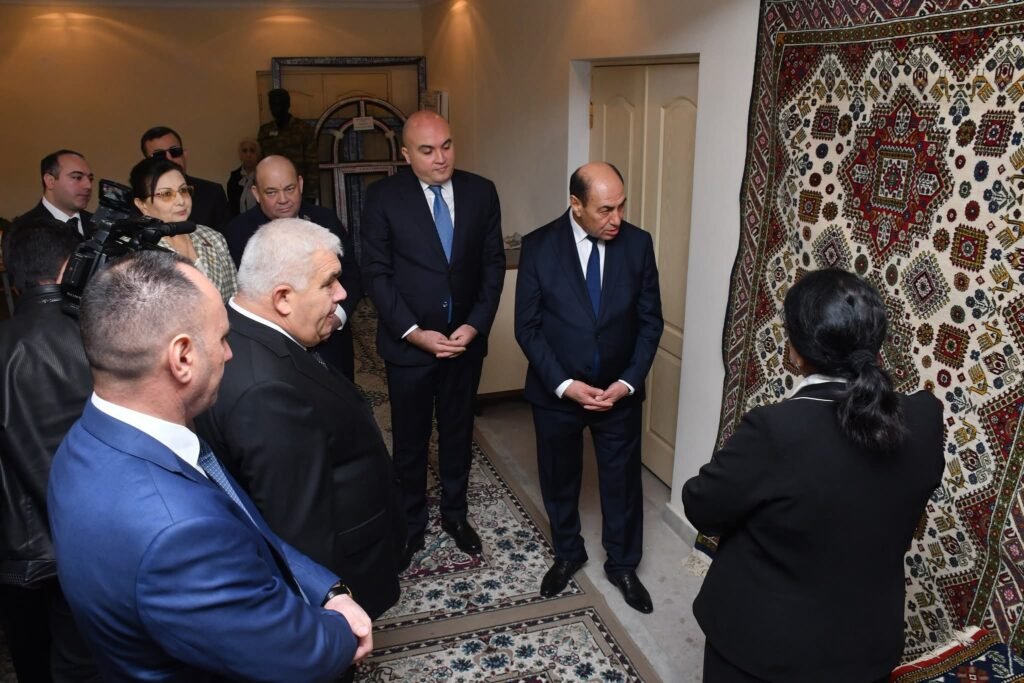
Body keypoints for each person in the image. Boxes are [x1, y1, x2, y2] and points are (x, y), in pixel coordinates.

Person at [48, 250, 371, 682]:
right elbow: (298, 654)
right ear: (182, 357)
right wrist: (344, 627)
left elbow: (246, 525)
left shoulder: (89, 437)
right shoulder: (179, 536)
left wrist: (325, 589)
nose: (230, 354)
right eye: (221, 339)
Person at [681, 269, 945, 682]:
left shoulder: (776, 430)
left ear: (797, 353)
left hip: (765, 649)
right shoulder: (926, 418)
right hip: (866, 647)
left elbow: (703, 507)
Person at [195, 218, 404, 624]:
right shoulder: (265, 392)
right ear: (283, 298)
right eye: (329, 283)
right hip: (337, 579)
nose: (342, 294)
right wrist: (326, 620)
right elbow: (299, 531)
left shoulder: (252, 333)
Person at [514, 161, 663, 614]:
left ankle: (623, 565)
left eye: (621, 206)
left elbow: (650, 322)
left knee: (622, 483)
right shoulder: (539, 246)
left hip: (618, 392)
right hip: (558, 392)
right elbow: (527, 327)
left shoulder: (638, 244)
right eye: (605, 210)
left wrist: (627, 382)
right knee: (559, 477)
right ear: (575, 205)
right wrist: (564, 384)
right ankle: (568, 553)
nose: (617, 219)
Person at [361, 110, 505, 569]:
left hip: (464, 342)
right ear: (406, 154)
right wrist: (413, 332)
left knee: (458, 432)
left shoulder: (481, 192)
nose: (440, 158)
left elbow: (493, 266)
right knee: (410, 439)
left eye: (446, 146)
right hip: (410, 345)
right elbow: (376, 274)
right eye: (427, 150)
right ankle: (411, 523)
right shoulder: (382, 198)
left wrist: (475, 324)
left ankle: (456, 515)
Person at [0, 221, 99, 682]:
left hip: (20, 551)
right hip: (94, 541)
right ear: (70, 266)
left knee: (34, 663)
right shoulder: (99, 336)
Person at [222, 155, 362, 380]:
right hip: (273, 353)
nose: (283, 199)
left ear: (300, 184)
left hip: (331, 344)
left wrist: (337, 317)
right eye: (271, 192)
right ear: (256, 193)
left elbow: (352, 274)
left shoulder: (325, 219)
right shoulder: (237, 233)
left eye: (289, 189)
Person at [131, 156, 238, 303]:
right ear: (142, 204)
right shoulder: (136, 252)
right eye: (167, 194)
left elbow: (236, 296)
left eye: (183, 190)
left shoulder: (213, 237)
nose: (181, 201)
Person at [140, 126, 230, 232]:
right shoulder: (140, 199)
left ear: (184, 154)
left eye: (175, 151)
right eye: (159, 155)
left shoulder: (212, 192)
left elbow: (226, 237)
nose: (169, 159)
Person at [13, 149, 94, 237]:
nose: (88, 186)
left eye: (90, 179)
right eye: (77, 177)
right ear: (50, 181)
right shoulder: (21, 231)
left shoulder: (100, 225)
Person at [258, 88, 319, 204]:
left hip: (297, 189)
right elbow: (260, 162)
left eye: (279, 104)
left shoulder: (302, 128)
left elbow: (312, 163)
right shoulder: (265, 131)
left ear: (287, 104)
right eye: (272, 104)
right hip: (272, 190)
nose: (275, 108)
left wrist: (310, 194)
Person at [226, 137, 261, 218]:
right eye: (245, 151)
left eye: (252, 151)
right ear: (240, 156)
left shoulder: (264, 176)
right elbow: (232, 206)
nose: (248, 155)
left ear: (258, 155)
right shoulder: (234, 178)